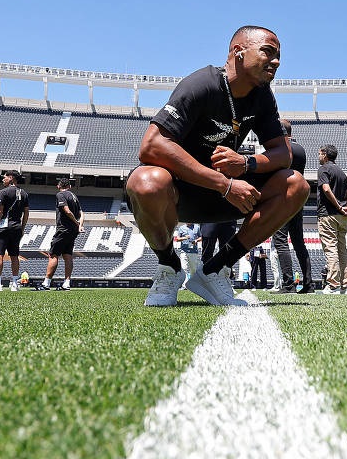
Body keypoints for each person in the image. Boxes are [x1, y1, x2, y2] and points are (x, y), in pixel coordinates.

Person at [125, 25, 307, 307]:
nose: (277, 61)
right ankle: (169, 267)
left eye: (278, 55)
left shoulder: (262, 95)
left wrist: (245, 163)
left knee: (295, 184)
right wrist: (225, 184)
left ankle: (215, 270)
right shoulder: (202, 84)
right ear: (238, 52)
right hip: (182, 194)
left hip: (227, 196)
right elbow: (151, 145)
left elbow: (283, 154)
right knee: (145, 181)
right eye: (268, 52)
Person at [271, 119, 313, 294]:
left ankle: (288, 284)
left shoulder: (280, 150)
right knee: (298, 242)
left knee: (281, 242)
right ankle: (309, 284)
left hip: (282, 199)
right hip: (298, 201)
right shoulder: (300, 149)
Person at [316, 144, 347, 295]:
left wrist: (338, 207)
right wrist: (346, 209)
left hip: (328, 214)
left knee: (331, 249)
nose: (318, 156)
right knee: (342, 250)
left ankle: (332, 285)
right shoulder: (342, 173)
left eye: (319, 153)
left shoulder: (323, 169)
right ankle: (345, 286)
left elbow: (325, 188)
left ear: (325, 154)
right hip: (343, 217)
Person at [36, 178, 83, 291]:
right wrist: (80, 225)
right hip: (73, 231)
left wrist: (76, 222)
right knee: (68, 256)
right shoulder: (74, 196)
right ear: (70, 186)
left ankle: (46, 284)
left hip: (63, 229)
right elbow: (81, 213)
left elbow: (66, 210)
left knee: (53, 255)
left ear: (58, 186)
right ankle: (66, 283)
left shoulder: (60, 195)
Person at [0, 170, 29, 291]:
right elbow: (26, 213)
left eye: (5, 177)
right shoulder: (24, 193)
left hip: (3, 227)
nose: (3, 179)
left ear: (11, 178)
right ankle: (14, 284)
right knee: (14, 256)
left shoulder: (3, 192)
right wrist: (22, 228)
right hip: (17, 227)